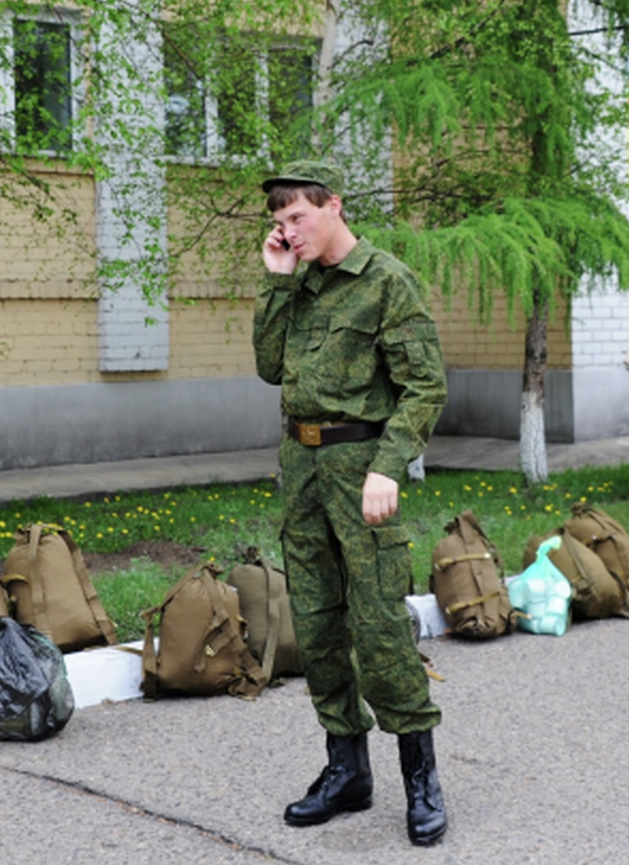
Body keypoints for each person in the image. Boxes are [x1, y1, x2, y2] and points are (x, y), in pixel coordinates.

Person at [252, 160, 449, 846]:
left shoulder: (387, 282)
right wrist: (277, 284)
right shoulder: (296, 283)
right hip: (302, 469)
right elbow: (270, 366)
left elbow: (424, 386)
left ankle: (420, 775)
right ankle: (347, 770)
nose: (288, 232)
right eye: (279, 224)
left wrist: (389, 466)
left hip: (362, 467)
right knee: (317, 622)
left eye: (297, 218)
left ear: (333, 206)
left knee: (379, 628)